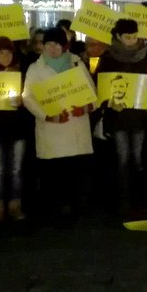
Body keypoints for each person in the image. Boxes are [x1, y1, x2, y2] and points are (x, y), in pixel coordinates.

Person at [22, 27, 96, 221]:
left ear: (64, 46)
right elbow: (28, 97)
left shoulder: (76, 63)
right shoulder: (35, 68)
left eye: (56, 44)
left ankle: (75, 210)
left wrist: (86, 107)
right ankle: (55, 212)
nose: (52, 48)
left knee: (75, 173)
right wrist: (47, 116)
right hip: (52, 129)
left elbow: (92, 91)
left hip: (75, 128)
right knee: (54, 175)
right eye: (48, 44)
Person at [98, 18, 147, 210]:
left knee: (138, 156)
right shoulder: (108, 57)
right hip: (118, 117)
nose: (131, 40)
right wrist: (108, 102)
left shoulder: (146, 55)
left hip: (139, 115)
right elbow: (101, 86)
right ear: (118, 36)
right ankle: (124, 199)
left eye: (134, 36)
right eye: (127, 37)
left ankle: (139, 196)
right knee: (122, 157)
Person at [0, 37, 32, 222]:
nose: (5, 56)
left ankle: (15, 206)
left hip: (17, 130)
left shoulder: (22, 75)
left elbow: (32, 100)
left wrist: (23, 102)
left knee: (17, 170)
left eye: (9, 52)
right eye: (1, 52)